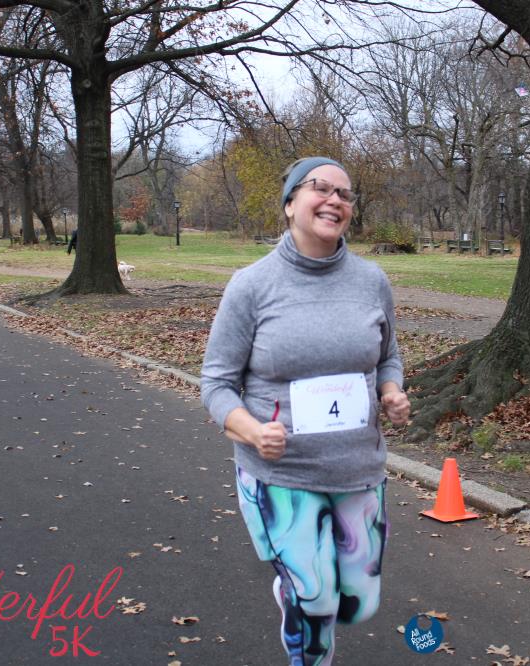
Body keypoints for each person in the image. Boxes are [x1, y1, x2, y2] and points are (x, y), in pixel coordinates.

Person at [201, 156, 411, 665]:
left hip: (358, 469)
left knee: (357, 605)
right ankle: (301, 603)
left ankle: (295, 593)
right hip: (282, 475)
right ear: (290, 203)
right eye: (321, 187)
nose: (335, 200)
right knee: (316, 601)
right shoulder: (252, 285)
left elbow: (388, 355)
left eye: (345, 193)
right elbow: (217, 384)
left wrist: (391, 391)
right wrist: (252, 432)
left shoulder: (371, 281)